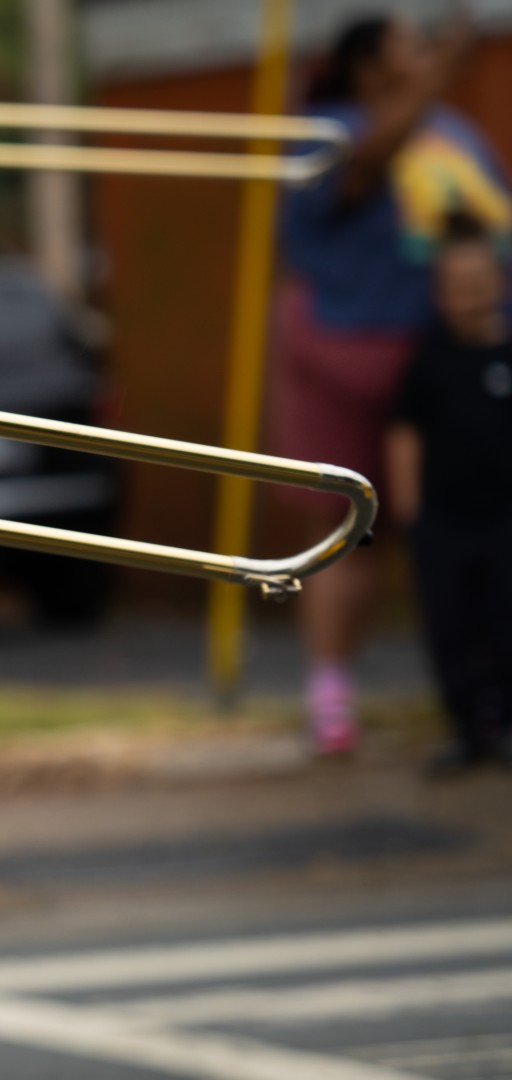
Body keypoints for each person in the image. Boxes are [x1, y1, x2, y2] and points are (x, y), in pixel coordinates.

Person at [274, 10, 510, 755]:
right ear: (369, 67)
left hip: (452, 361)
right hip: (351, 352)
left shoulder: (450, 126)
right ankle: (332, 698)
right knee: (352, 531)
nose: (423, 52)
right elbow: (368, 164)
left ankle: (483, 700)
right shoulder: (330, 129)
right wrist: (443, 66)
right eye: (406, 44)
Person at [385, 212, 512, 774]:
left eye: (480, 283)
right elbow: (404, 434)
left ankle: (504, 724)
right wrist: (411, 511)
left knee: (504, 622)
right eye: (457, 286)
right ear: (439, 294)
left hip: (505, 520)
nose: (470, 297)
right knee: (450, 628)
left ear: (500, 285)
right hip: (445, 521)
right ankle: (465, 728)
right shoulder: (428, 361)